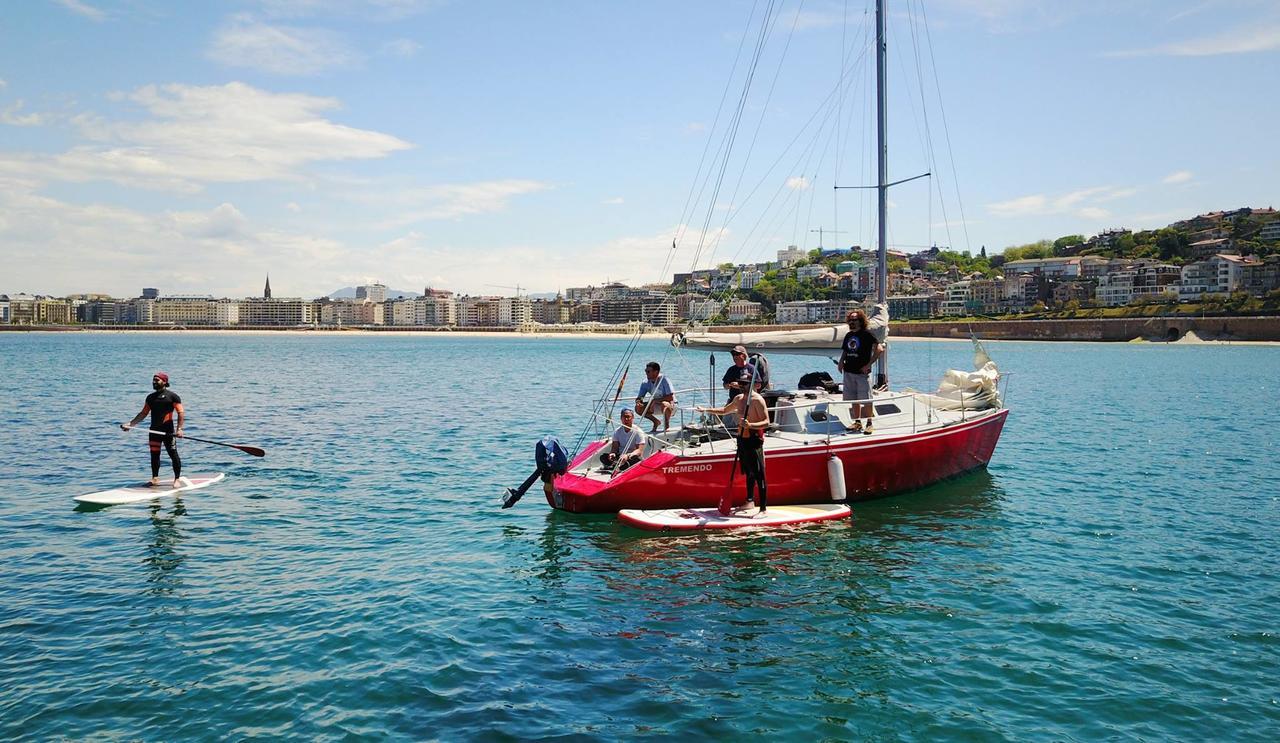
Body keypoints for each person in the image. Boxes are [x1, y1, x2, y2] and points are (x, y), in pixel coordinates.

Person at [696, 375, 770, 513]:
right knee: (748, 472)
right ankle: (749, 501)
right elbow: (725, 411)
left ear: (752, 384)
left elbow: (766, 422)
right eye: (741, 383)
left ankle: (763, 509)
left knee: (759, 474)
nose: (742, 386)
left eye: (745, 384)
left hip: (754, 439)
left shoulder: (757, 400)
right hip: (742, 438)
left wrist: (751, 424)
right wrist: (706, 409)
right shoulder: (739, 399)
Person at [121, 371, 185, 486]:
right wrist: (130, 424)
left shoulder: (173, 396)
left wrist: (179, 429)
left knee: (173, 454)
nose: (154, 382)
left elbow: (180, 413)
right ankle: (155, 478)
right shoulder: (150, 398)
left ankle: (177, 479)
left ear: (164, 382)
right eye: (153, 380)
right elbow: (143, 414)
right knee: (154, 455)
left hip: (168, 432)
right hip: (153, 431)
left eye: (157, 380)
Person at [838, 309, 883, 434]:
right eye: (850, 320)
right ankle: (857, 422)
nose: (852, 322)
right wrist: (841, 362)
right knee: (854, 399)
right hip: (849, 371)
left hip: (861, 373)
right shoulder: (849, 336)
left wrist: (869, 364)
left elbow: (879, 349)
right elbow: (846, 351)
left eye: (855, 320)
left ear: (861, 321)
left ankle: (869, 423)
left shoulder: (867, 334)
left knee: (866, 399)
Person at [635, 361, 675, 433]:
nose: (646, 373)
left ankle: (667, 426)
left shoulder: (664, 379)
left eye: (648, 371)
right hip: (655, 406)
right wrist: (639, 402)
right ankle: (656, 422)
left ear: (656, 372)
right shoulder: (645, 383)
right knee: (638, 408)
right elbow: (640, 397)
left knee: (664, 404)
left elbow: (670, 397)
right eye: (646, 371)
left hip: (670, 406)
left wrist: (654, 401)